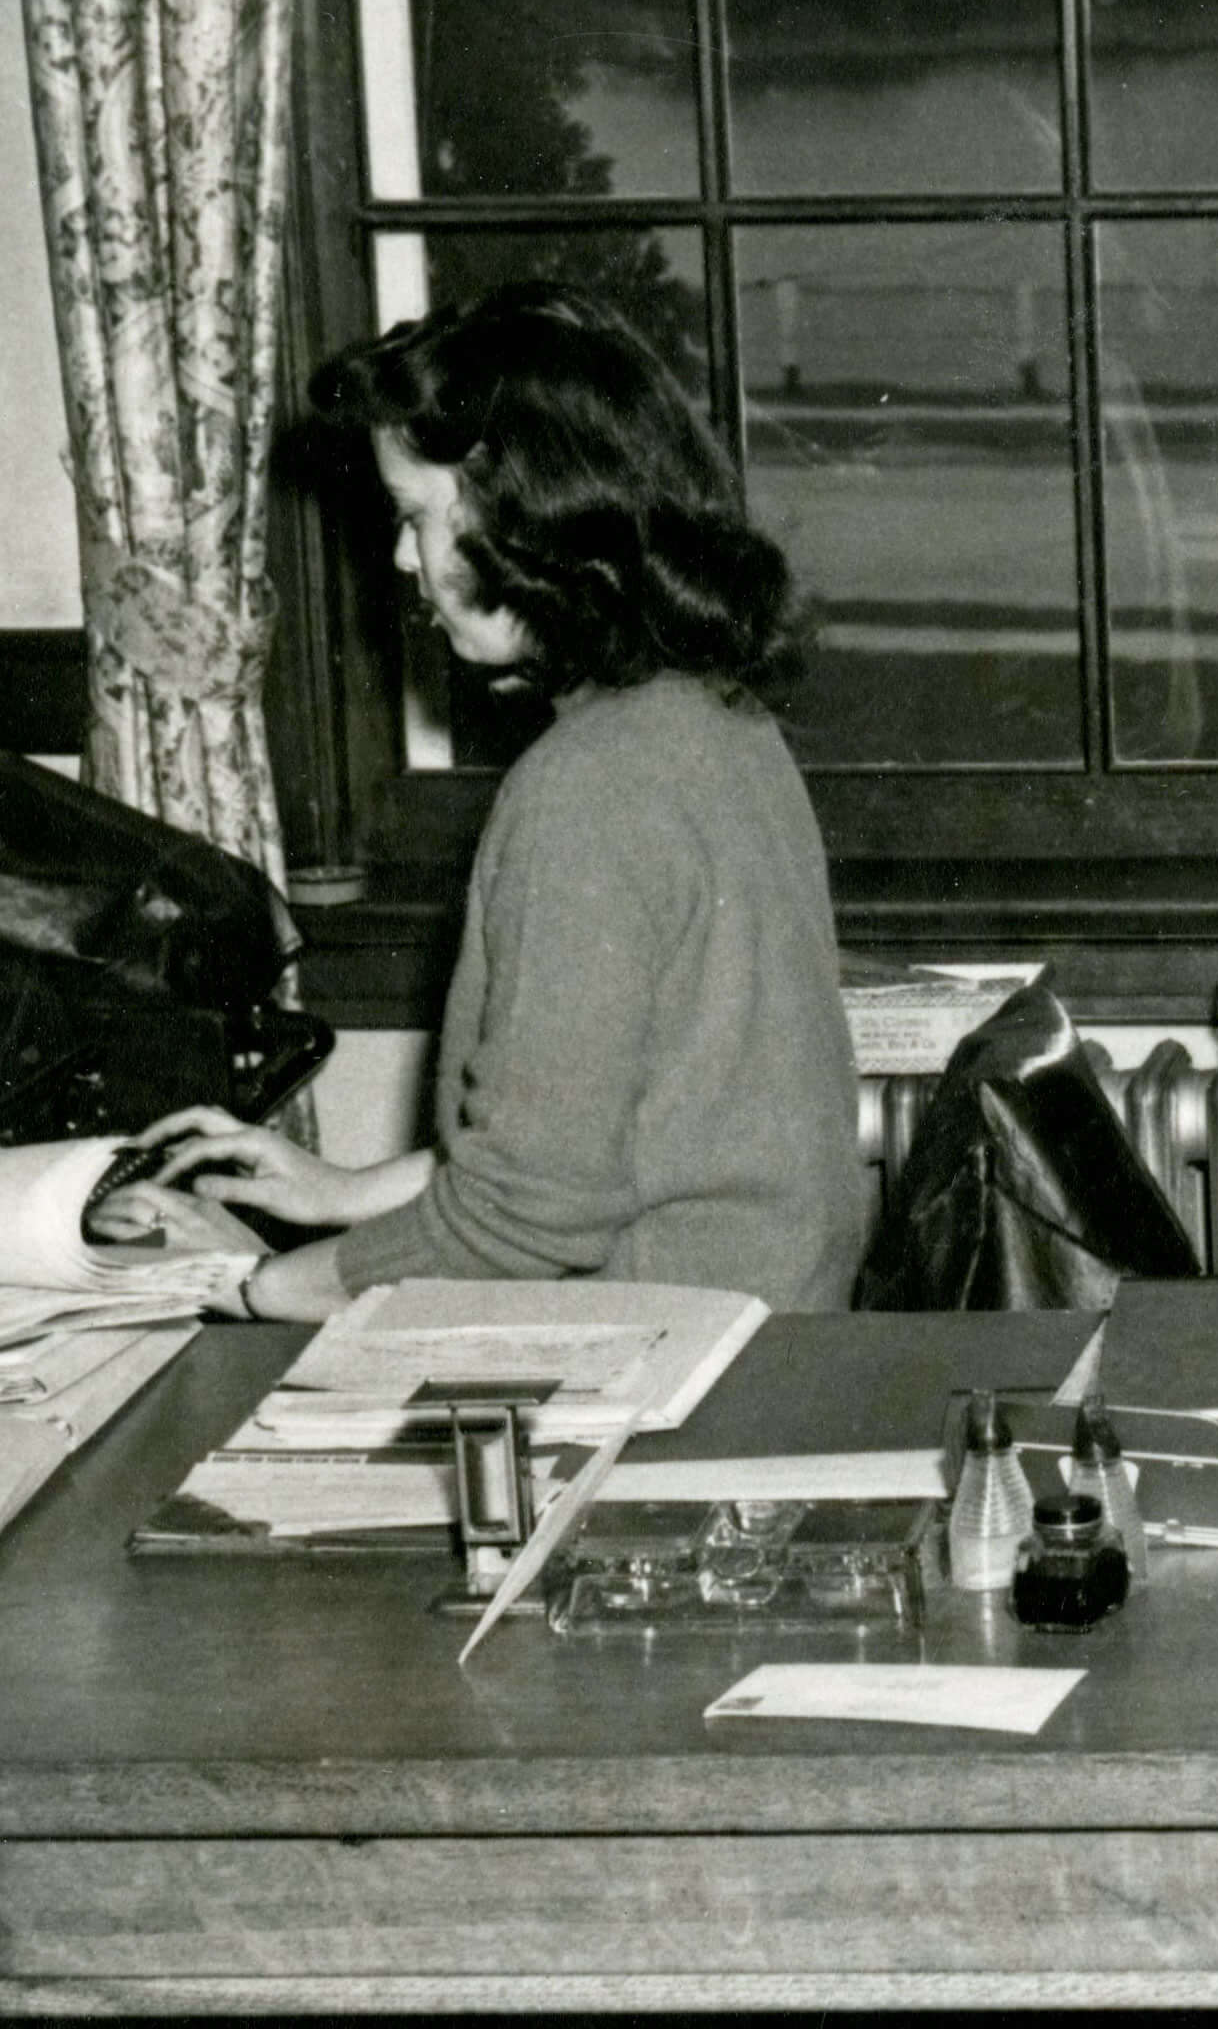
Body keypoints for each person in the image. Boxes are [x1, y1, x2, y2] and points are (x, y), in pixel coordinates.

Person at [134, 281, 865, 1321]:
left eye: (417, 518)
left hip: (658, 1358)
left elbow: (528, 1223)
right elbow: (600, 1145)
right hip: (764, 1324)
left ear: (533, 520)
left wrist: (247, 1289)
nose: (401, 561)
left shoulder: (585, 791)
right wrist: (339, 1194)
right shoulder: (713, 718)